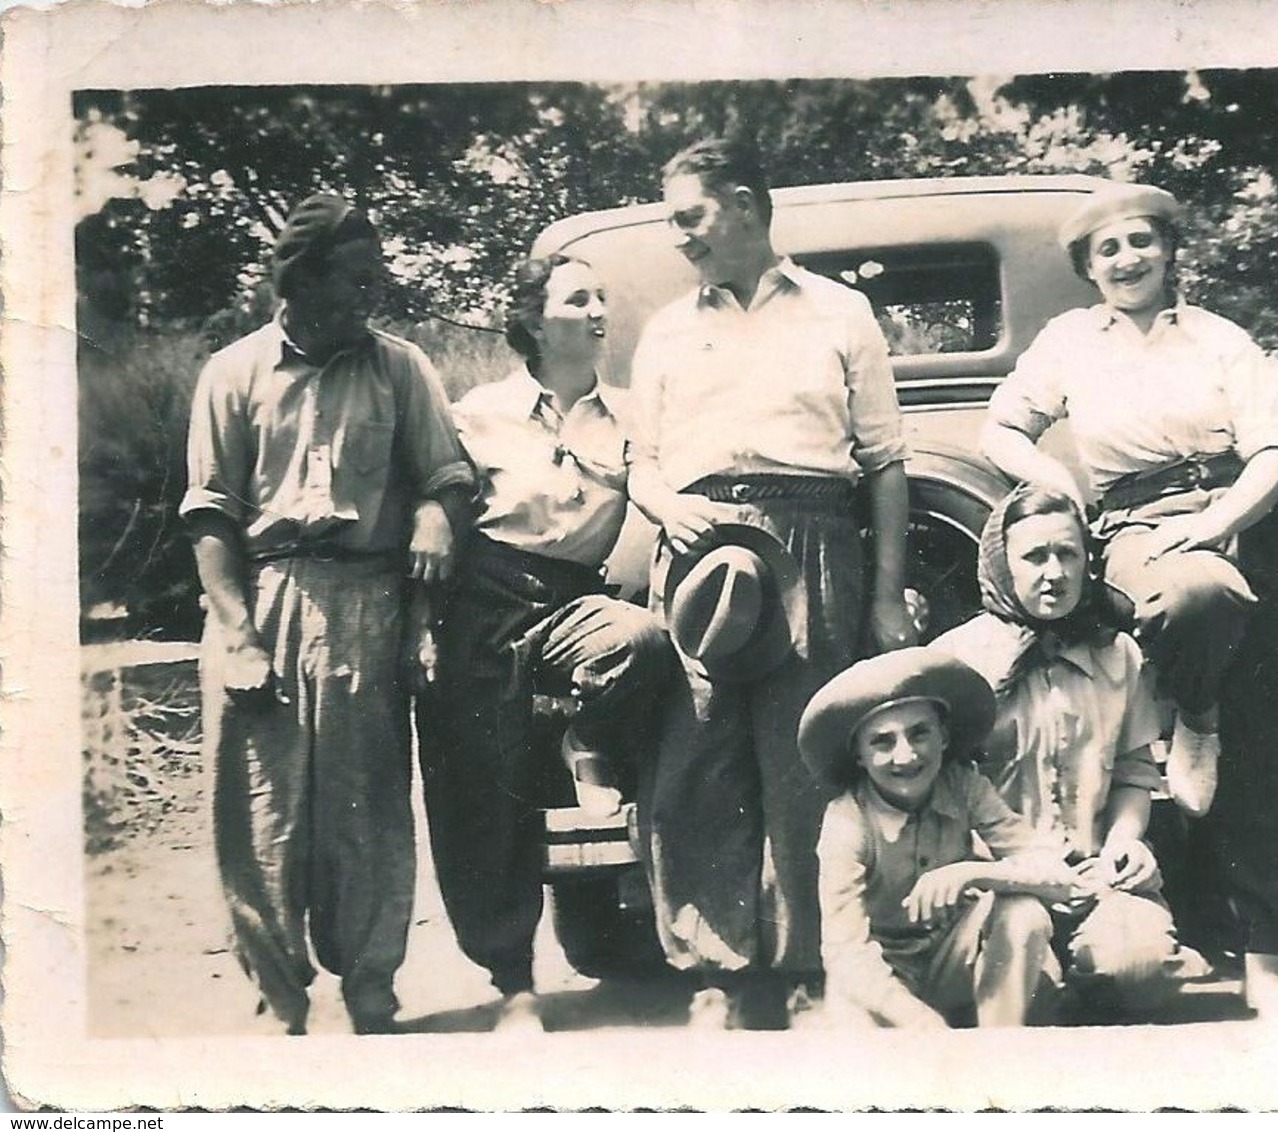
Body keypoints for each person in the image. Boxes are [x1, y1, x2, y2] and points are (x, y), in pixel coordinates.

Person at [979, 181, 1278, 1019]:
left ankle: (1265, 965)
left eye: (1140, 242)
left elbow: (1273, 448)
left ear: (1168, 251)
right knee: (1194, 597)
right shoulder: (1068, 341)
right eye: (1107, 250)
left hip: (1250, 516)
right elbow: (1000, 427)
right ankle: (1194, 712)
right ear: (1087, 269)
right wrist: (1055, 480)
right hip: (1136, 522)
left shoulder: (1219, 338)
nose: (1126, 259)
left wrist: (1219, 521)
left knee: (1274, 743)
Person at [626, 136, 915, 1029]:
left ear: (745, 206)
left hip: (815, 543)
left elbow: (886, 464)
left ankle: (803, 970)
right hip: (701, 553)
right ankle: (714, 972)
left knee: (804, 762)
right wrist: (666, 507)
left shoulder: (838, 312)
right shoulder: (668, 328)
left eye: (692, 217)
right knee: (698, 758)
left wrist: (882, 593)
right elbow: (642, 459)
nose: (681, 239)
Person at [180, 193, 475, 1035]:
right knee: (261, 807)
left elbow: (449, 477)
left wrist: (431, 514)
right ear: (299, 281)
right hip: (261, 598)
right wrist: (236, 635)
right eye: (351, 279)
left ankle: (372, 989)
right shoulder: (231, 374)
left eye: (374, 277)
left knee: (368, 805)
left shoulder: (402, 367)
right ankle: (279, 997)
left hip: (369, 601)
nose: (367, 296)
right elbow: (209, 516)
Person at [412, 254, 673, 1030]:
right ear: (531, 323)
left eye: (604, 297)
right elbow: (437, 510)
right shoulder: (476, 413)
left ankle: (582, 748)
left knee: (639, 642)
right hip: (480, 604)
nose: (599, 311)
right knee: (480, 794)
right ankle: (512, 981)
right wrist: (424, 626)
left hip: (571, 601)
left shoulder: (630, 417)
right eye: (578, 298)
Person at [932, 482, 1191, 1021]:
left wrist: (1124, 843)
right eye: (1034, 556)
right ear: (1003, 565)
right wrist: (1018, 873)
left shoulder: (1116, 653)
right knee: (1023, 991)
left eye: (1067, 554)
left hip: (1092, 876)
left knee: (1142, 971)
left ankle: (1089, 970)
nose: (1054, 573)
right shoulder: (954, 660)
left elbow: (1133, 772)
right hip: (996, 885)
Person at [799, 648, 1080, 1028]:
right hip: (879, 970)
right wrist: (915, 1018)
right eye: (882, 742)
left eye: (919, 733)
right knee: (862, 1063)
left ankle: (996, 1050)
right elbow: (845, 950)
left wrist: (974, 874)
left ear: (944, 737)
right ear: (860, 757)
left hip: (954, 956)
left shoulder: (965, 786)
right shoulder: (847, 821)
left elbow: (1058, 877)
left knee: (1023, 913)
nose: (906, 755)